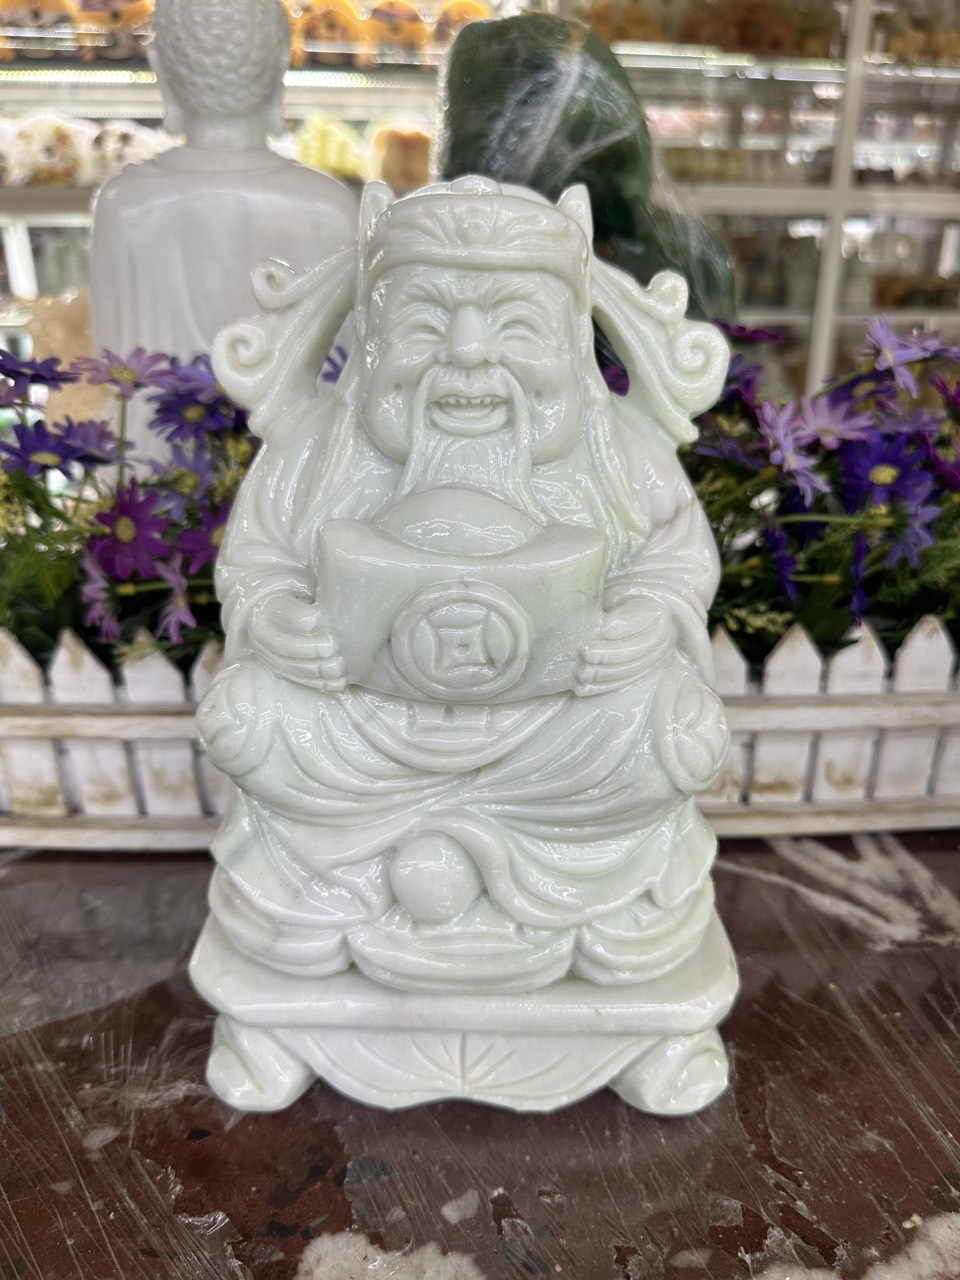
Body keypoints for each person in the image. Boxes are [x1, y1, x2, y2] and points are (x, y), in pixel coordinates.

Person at [193, 176, 737, 1114]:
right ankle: (344, 909)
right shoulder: (317, 450)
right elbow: (258, 562)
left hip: (557, 740)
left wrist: (647, 618)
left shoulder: (617, 453)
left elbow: (676, 560)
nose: (470, 354)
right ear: (370, 335)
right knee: (248, 716)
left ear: (571, 340)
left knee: (672, 732)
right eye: (425, 323)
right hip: (367, 736)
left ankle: (570, 912)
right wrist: (277, 617)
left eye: (515, 325)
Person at [89, 0, 358, 464]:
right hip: (297, 473)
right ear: (281, 63)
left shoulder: (125, 205)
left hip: (156, 480)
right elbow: (350, 382)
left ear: (161, 68)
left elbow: (118, 385)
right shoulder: (330, 206)